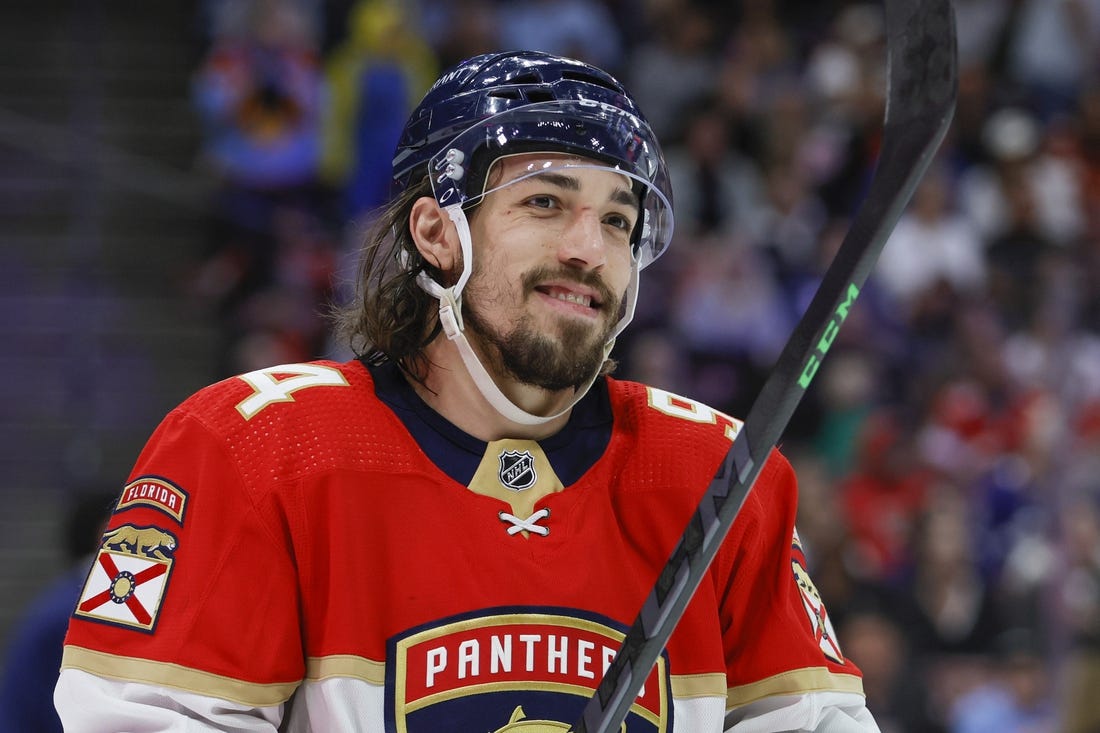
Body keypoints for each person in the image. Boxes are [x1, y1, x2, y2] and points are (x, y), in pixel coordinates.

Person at [55, 51, 878, 731]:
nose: (591, 248)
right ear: (436, 233)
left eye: (619, 220)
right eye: (547, 202)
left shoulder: (720, 474)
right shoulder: (256, 448)